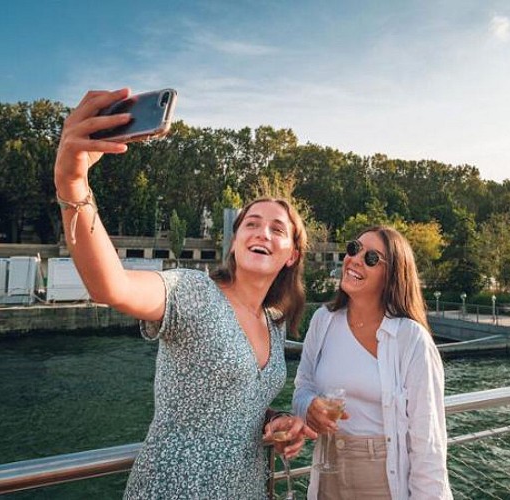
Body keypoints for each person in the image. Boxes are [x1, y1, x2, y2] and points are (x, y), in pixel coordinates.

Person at [54, 88, 316, 499]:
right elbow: (111, 285)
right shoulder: (192, 291)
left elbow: (235, 402)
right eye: (251, 224)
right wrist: (72, 182)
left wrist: (275, 419)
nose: (262, 232)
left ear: (291, 256)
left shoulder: (274, 321)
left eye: (277, 229)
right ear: (234, 242)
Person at [293, 226, 453, 499]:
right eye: (354, 248)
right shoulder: (323, 320)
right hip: (327, 471)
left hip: (384, 479)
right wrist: (309, 406)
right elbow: (302, 387)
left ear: (392, 275)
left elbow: (428, 444)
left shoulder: (411, 339)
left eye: (371, 258)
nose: (354, 259)